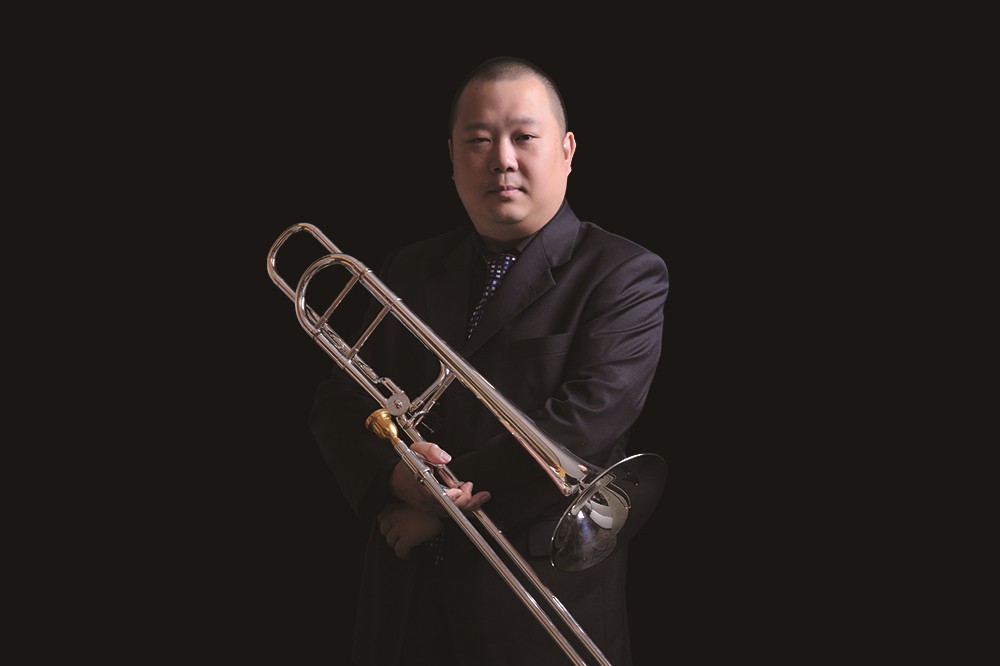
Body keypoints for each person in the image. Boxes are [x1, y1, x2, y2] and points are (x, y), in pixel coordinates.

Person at [309, 55, 669, 665]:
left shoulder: (624, 273)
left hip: (534, 605)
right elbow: (339, 403)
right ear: (452, 157)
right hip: (405, 604)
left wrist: (439, 505)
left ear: (567, 151)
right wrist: (397, 479)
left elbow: (584, 423)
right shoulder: (407, 268)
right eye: (478, 141)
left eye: (524, 137)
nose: (502, 159)